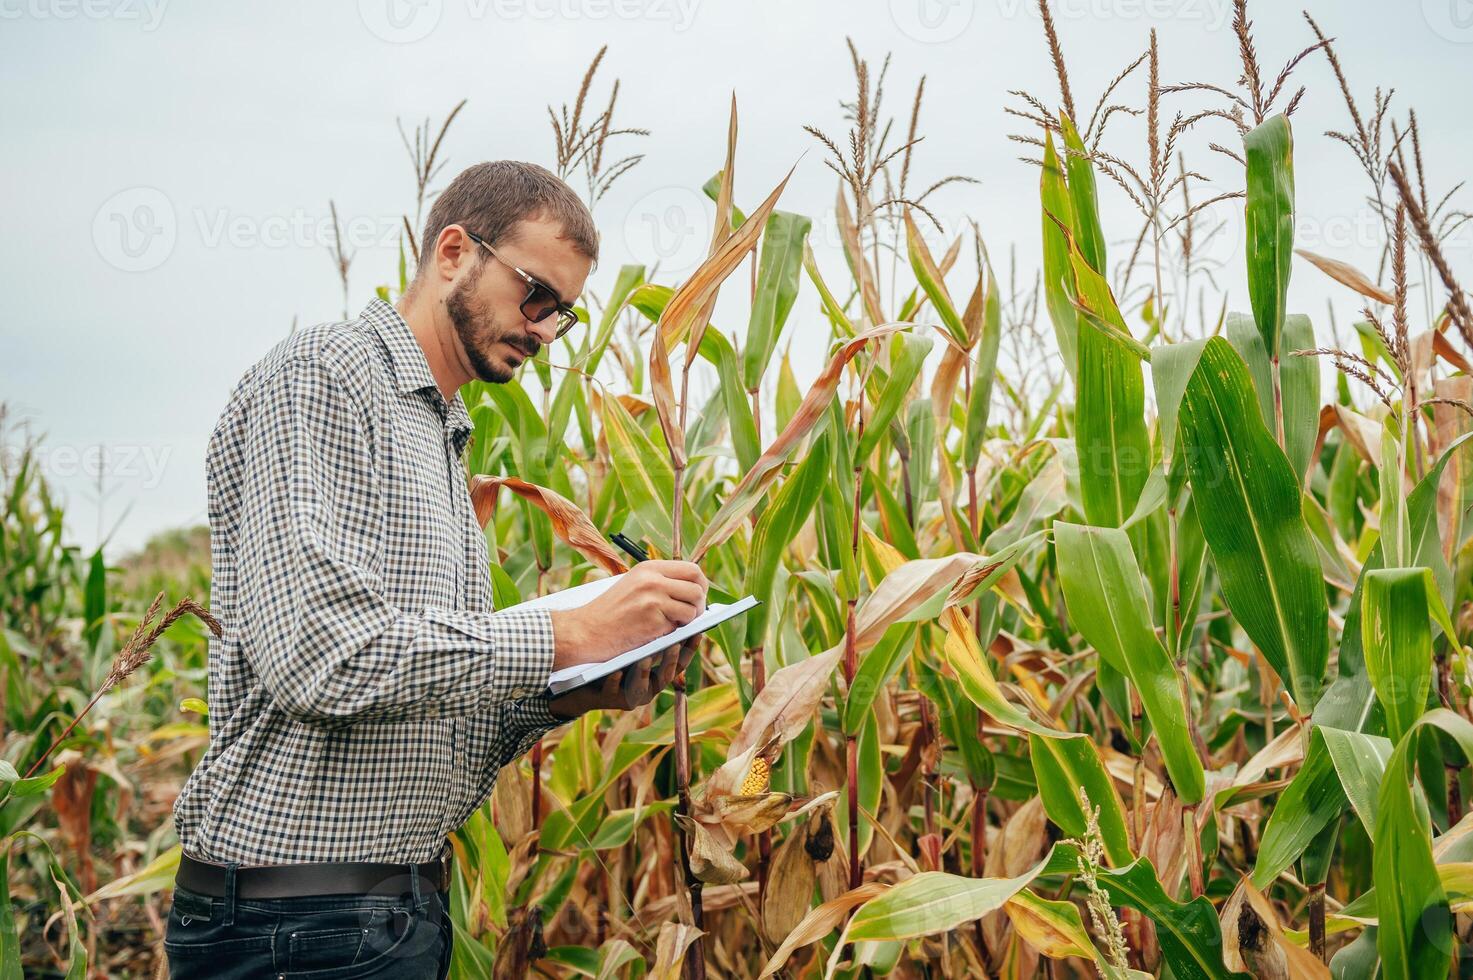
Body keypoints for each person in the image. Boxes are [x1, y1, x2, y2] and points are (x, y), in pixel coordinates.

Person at [164, 161, 707, 978]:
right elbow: (320, 660)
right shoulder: (326, 381)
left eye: (564, 312)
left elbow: (416, 715)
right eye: (535, 296)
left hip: (384, 913)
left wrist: (570, 688)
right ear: (454, 252)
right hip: (297, 925)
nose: (546, 330)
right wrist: (567, 632)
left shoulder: (440, 432)